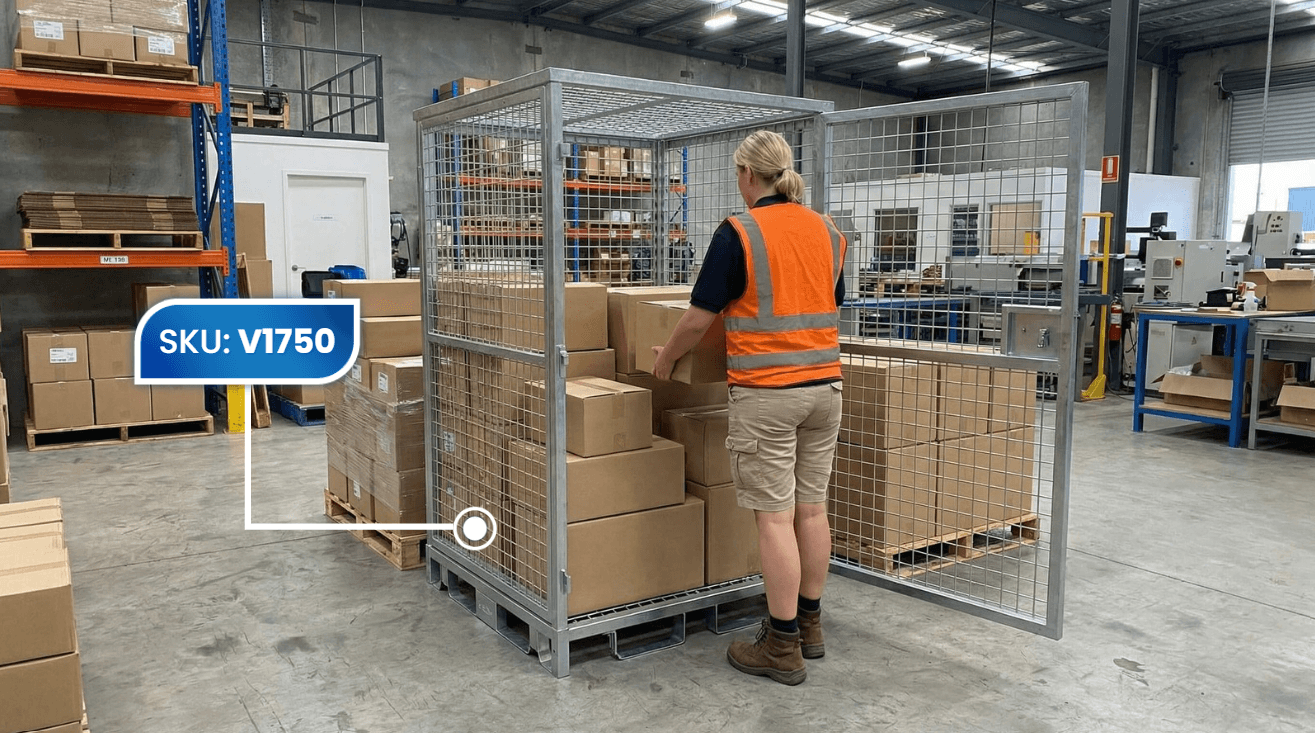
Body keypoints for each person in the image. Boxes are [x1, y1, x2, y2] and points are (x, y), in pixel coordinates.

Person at [650, 130, 846, 686]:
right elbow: (824, 302)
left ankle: (780, 646)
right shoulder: (828, 231)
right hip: (824, 390)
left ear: (747, 175)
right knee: (812, 511)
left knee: (775, 519)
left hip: (769, 397)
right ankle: (809, 626)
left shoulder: (740, 231)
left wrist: (667, 356)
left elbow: (698, 315)